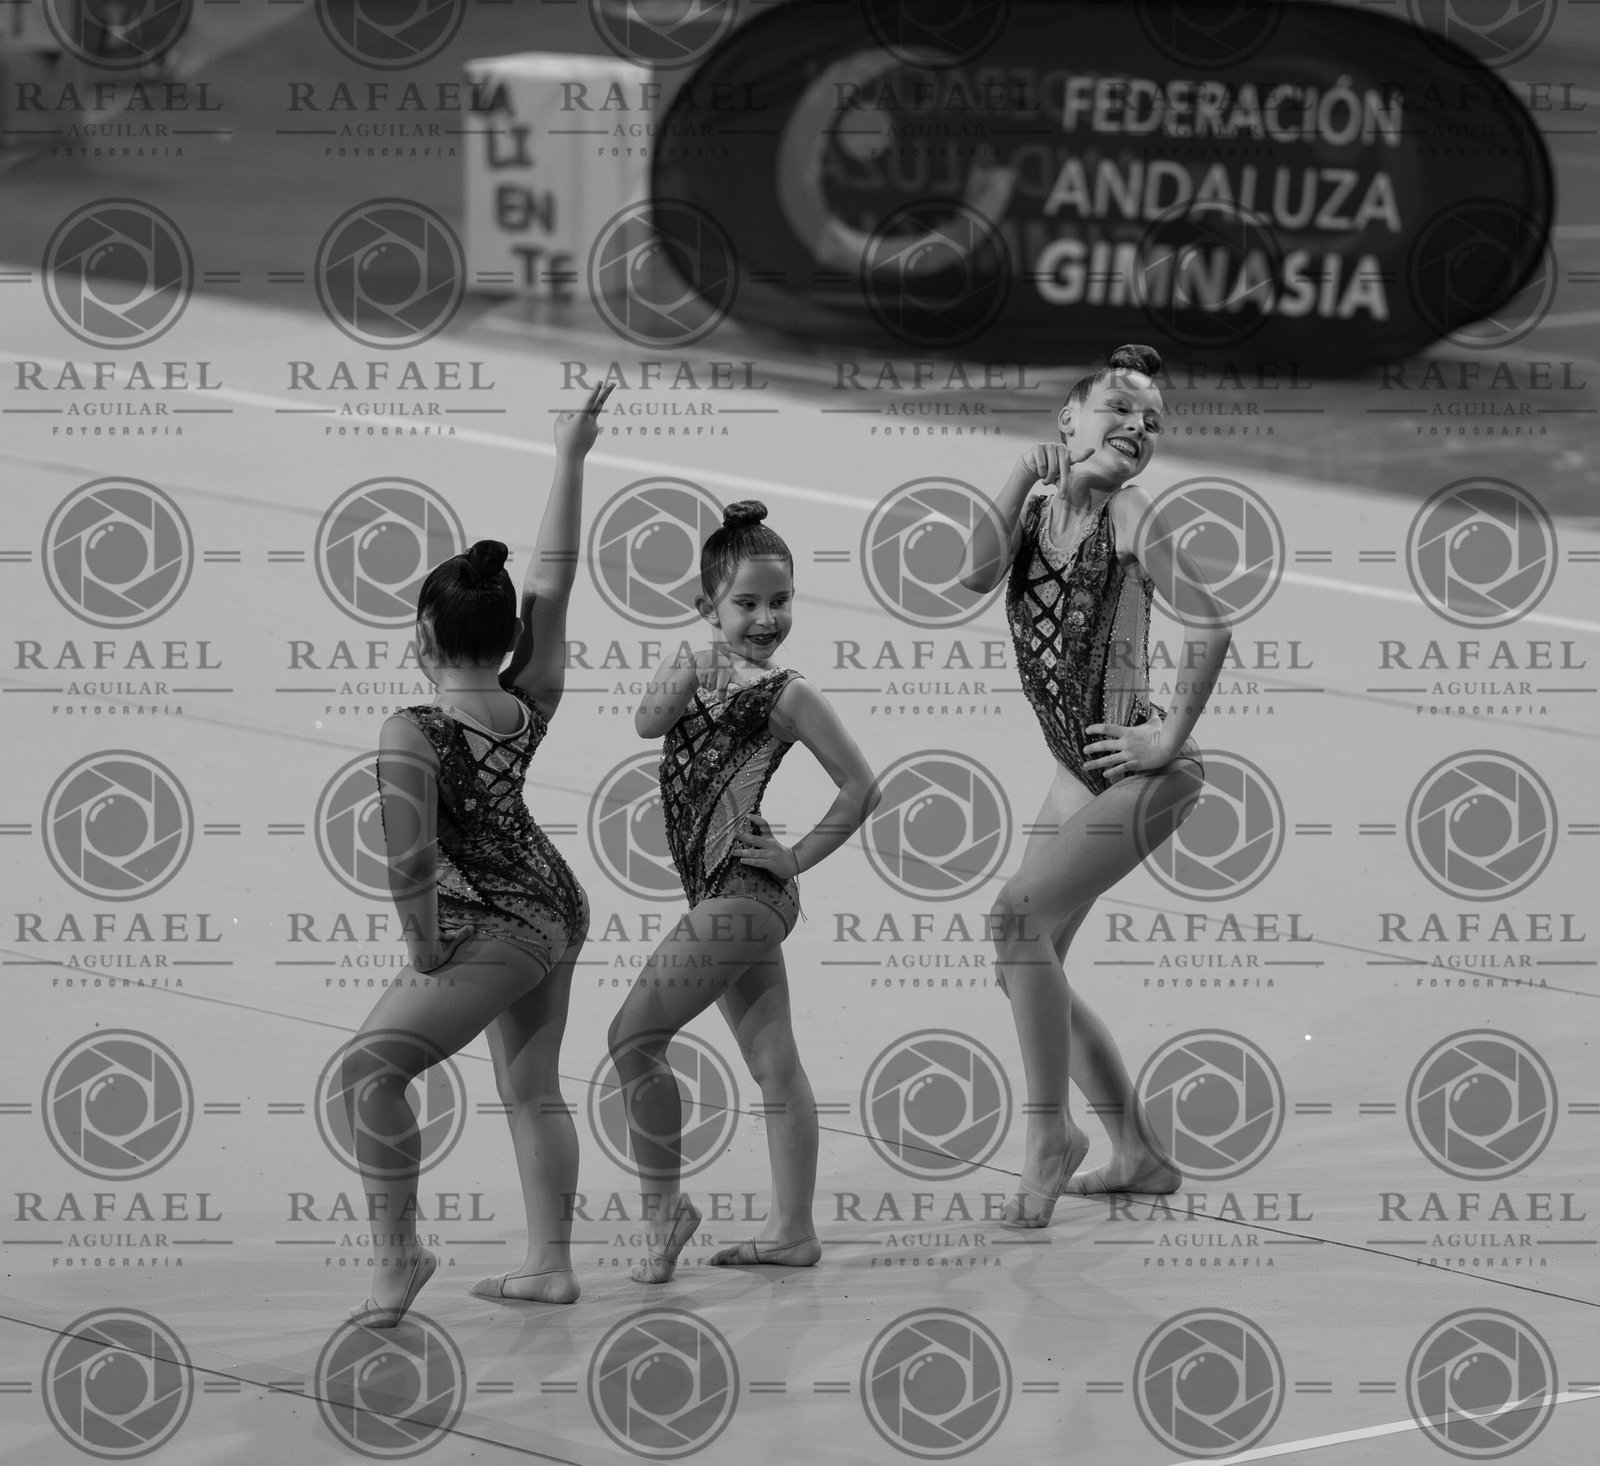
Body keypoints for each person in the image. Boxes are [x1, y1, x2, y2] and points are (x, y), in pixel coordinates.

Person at [341, 380, 613, 1327]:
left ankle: (399, 1259)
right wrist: (571, 458)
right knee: (532, 1087)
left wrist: (423, 947)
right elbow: (555, 583)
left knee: (370, 1073)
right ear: (505, 637)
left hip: (492, 924)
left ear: (421, 634)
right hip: (558, 903)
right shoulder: (531, 694)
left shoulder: (411, 729)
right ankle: (549, 1267)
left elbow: (410, 862)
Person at [959, 344, 1232, 1227]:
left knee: (1014, 921)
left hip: (1143, 773)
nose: (1139, 428)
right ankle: (1140, 1154)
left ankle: (1050, 1135)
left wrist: (1168, 737)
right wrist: (1016, 478)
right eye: (1119, 409)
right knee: (1022, 965)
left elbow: (1212, 626)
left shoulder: (1133, 513)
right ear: (1067, 422)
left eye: (1153, 422)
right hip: (1077, 773)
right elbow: (970, 574)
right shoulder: (1037, 513)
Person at [608, 501, 881, 1282]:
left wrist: (795, 858)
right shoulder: (699, 668)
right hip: (720, 895)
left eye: (781, 601)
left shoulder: (788, 695)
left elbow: (862, 787)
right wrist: (693, 661)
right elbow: (646, 722)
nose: (767, 619)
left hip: (745, 891)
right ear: (709, 607)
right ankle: (793, 1232)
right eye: (747, 603)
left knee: (632, 1039)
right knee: (774, 1065)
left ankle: (666, 1209)